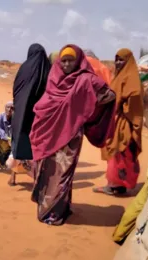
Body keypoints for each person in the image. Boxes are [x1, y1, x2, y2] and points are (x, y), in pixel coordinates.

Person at [30, 45, 116, 226]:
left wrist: (85, 110)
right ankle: (48, 209)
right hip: (48, 134)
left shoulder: (86, 80)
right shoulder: (54, 77)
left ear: (79, 61)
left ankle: (55, 212)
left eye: (71, 60)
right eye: (64, 60)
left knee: (62, 174)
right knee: (48, 171)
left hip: (69, 137)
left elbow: (109, 96)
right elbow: (46, 103)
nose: (67, 64)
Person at [94, 48, 144, 195]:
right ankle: (117, 185)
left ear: (129, 61)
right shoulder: (119, 77)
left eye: (121, 59)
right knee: (117, 154)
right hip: (115, 121)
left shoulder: (131, 79)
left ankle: (115, 186)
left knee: (120, 153)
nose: (118, 62)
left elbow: (133, 103)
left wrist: (117, 108)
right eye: (117, 59)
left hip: (123, 123)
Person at [9, 43, 50, 186]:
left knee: (17, 144)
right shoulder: (47, 70)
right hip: (37, 117)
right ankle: (36, 179)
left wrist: (19, 106)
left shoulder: (23, 68)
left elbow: (16, 89)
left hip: (19, 115)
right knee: (36, 148)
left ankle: (13, 177)